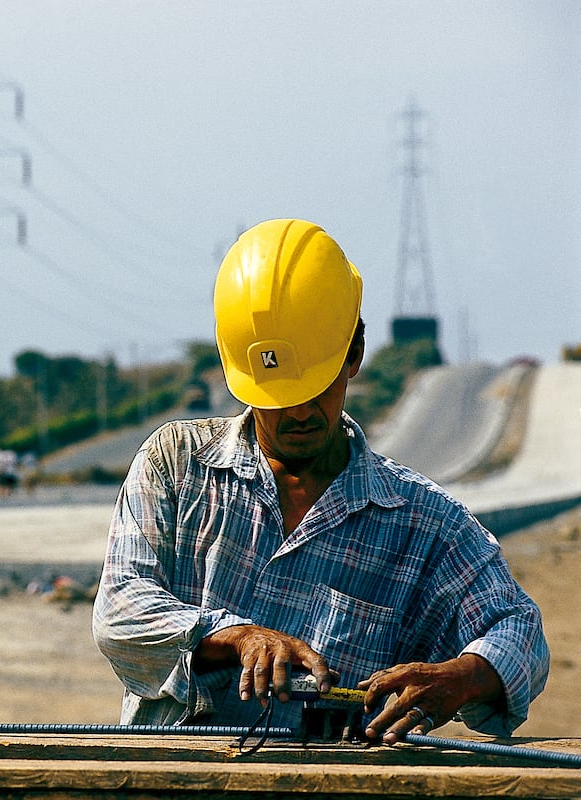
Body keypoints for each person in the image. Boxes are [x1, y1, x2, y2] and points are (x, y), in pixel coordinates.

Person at [92, 218, 548, 745]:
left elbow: (521, 631)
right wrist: (233, 636)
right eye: (277, 394)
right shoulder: (176, 465)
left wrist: (463, 677)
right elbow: (120, 609)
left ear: (353, 355)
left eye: (317, 386)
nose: (299, 411)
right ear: (238, 369)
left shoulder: (420, 524)